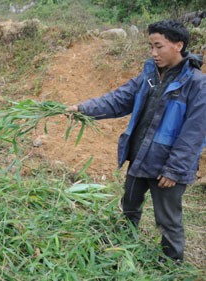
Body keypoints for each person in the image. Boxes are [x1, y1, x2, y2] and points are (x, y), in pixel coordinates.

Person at [66, 19, 206, 262]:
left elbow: (195, 133)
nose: (153, 53)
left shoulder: (196, 85)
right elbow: (118, 99)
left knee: (167, 219)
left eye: (158, 46)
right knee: (129, 207)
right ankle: (123, 250)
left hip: (167, 168)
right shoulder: (149, 76)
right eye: (150, 46)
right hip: (140, 157)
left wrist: (174, 169)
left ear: (178, 45)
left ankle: (171, 265)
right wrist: (83, 108)